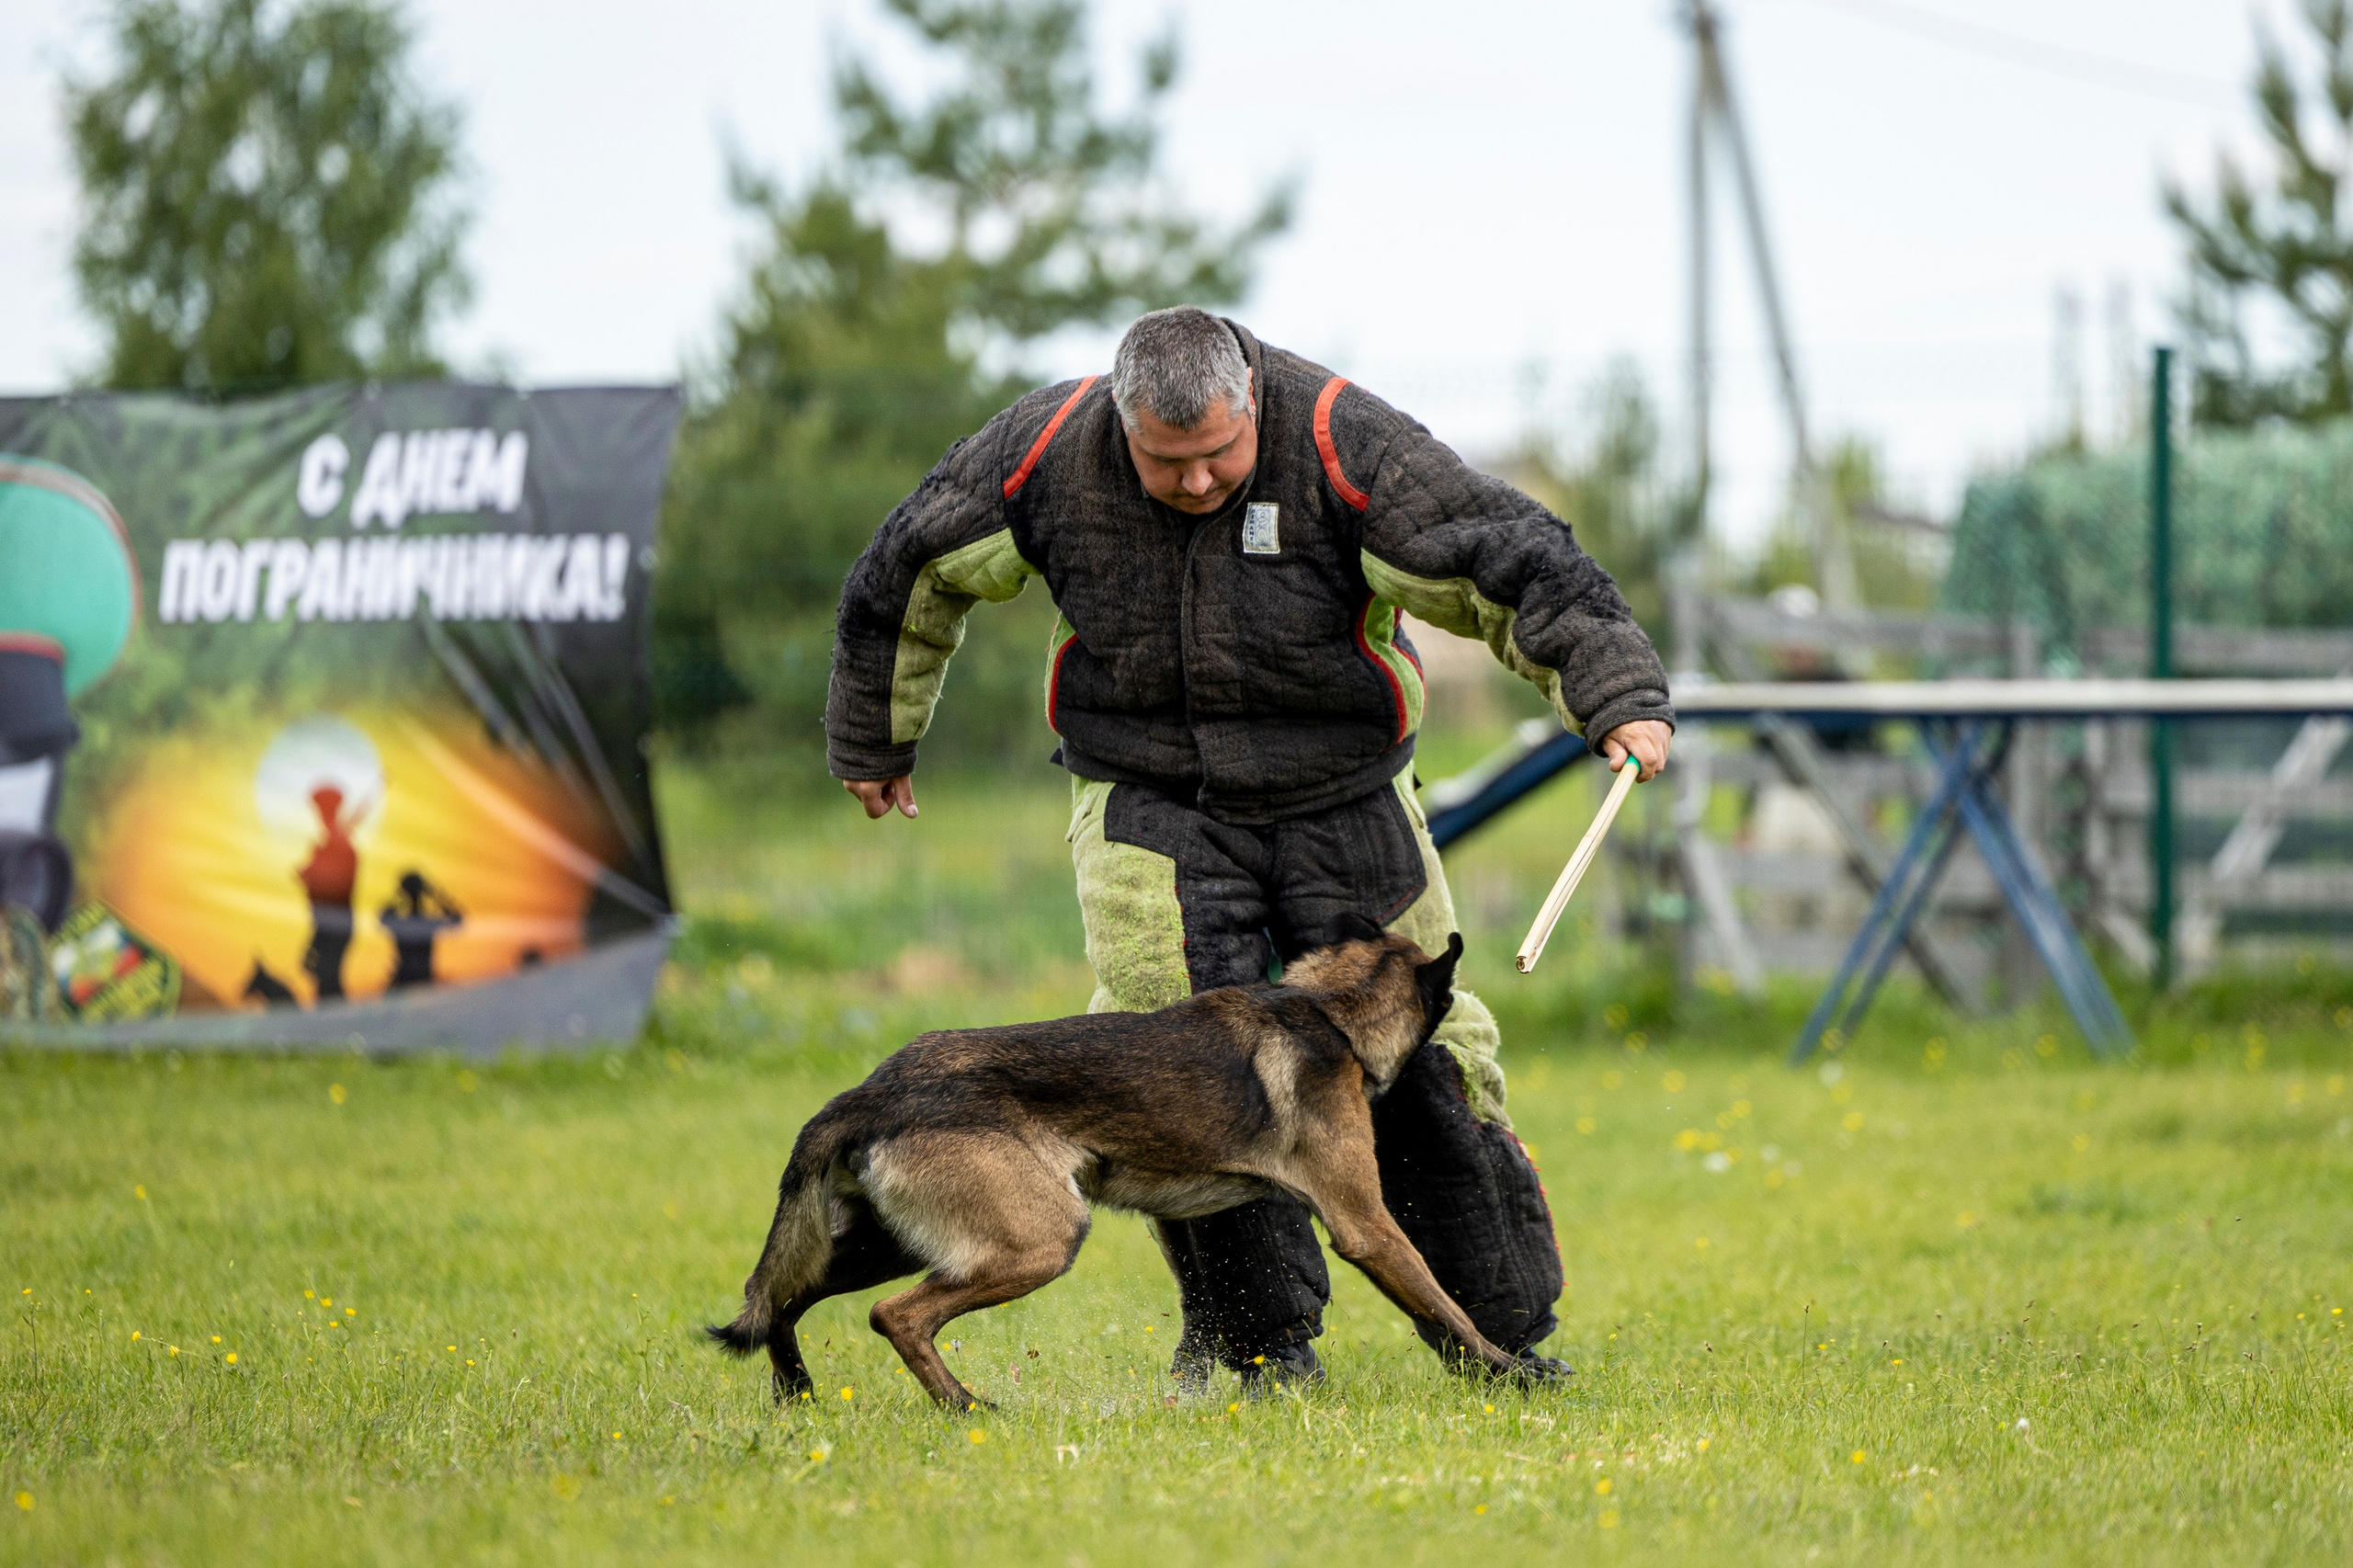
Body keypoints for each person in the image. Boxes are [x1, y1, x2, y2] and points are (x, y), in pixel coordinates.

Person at [826, 307, 1674, 1392]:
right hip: (1149, 800)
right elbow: (909, 565)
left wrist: (1614, 691)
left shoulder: (1342, 439)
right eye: (1164, 461)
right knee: (1175, 1061)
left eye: (1218, 454)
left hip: (1347, 793)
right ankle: (1256, 1348)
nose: (1193, 482)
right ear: (1120, 423)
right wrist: (874, 734)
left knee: (1431, 1050)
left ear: (1251, 405)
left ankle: (1505, 1333)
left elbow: (1507, 555)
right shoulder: (1045, 452)